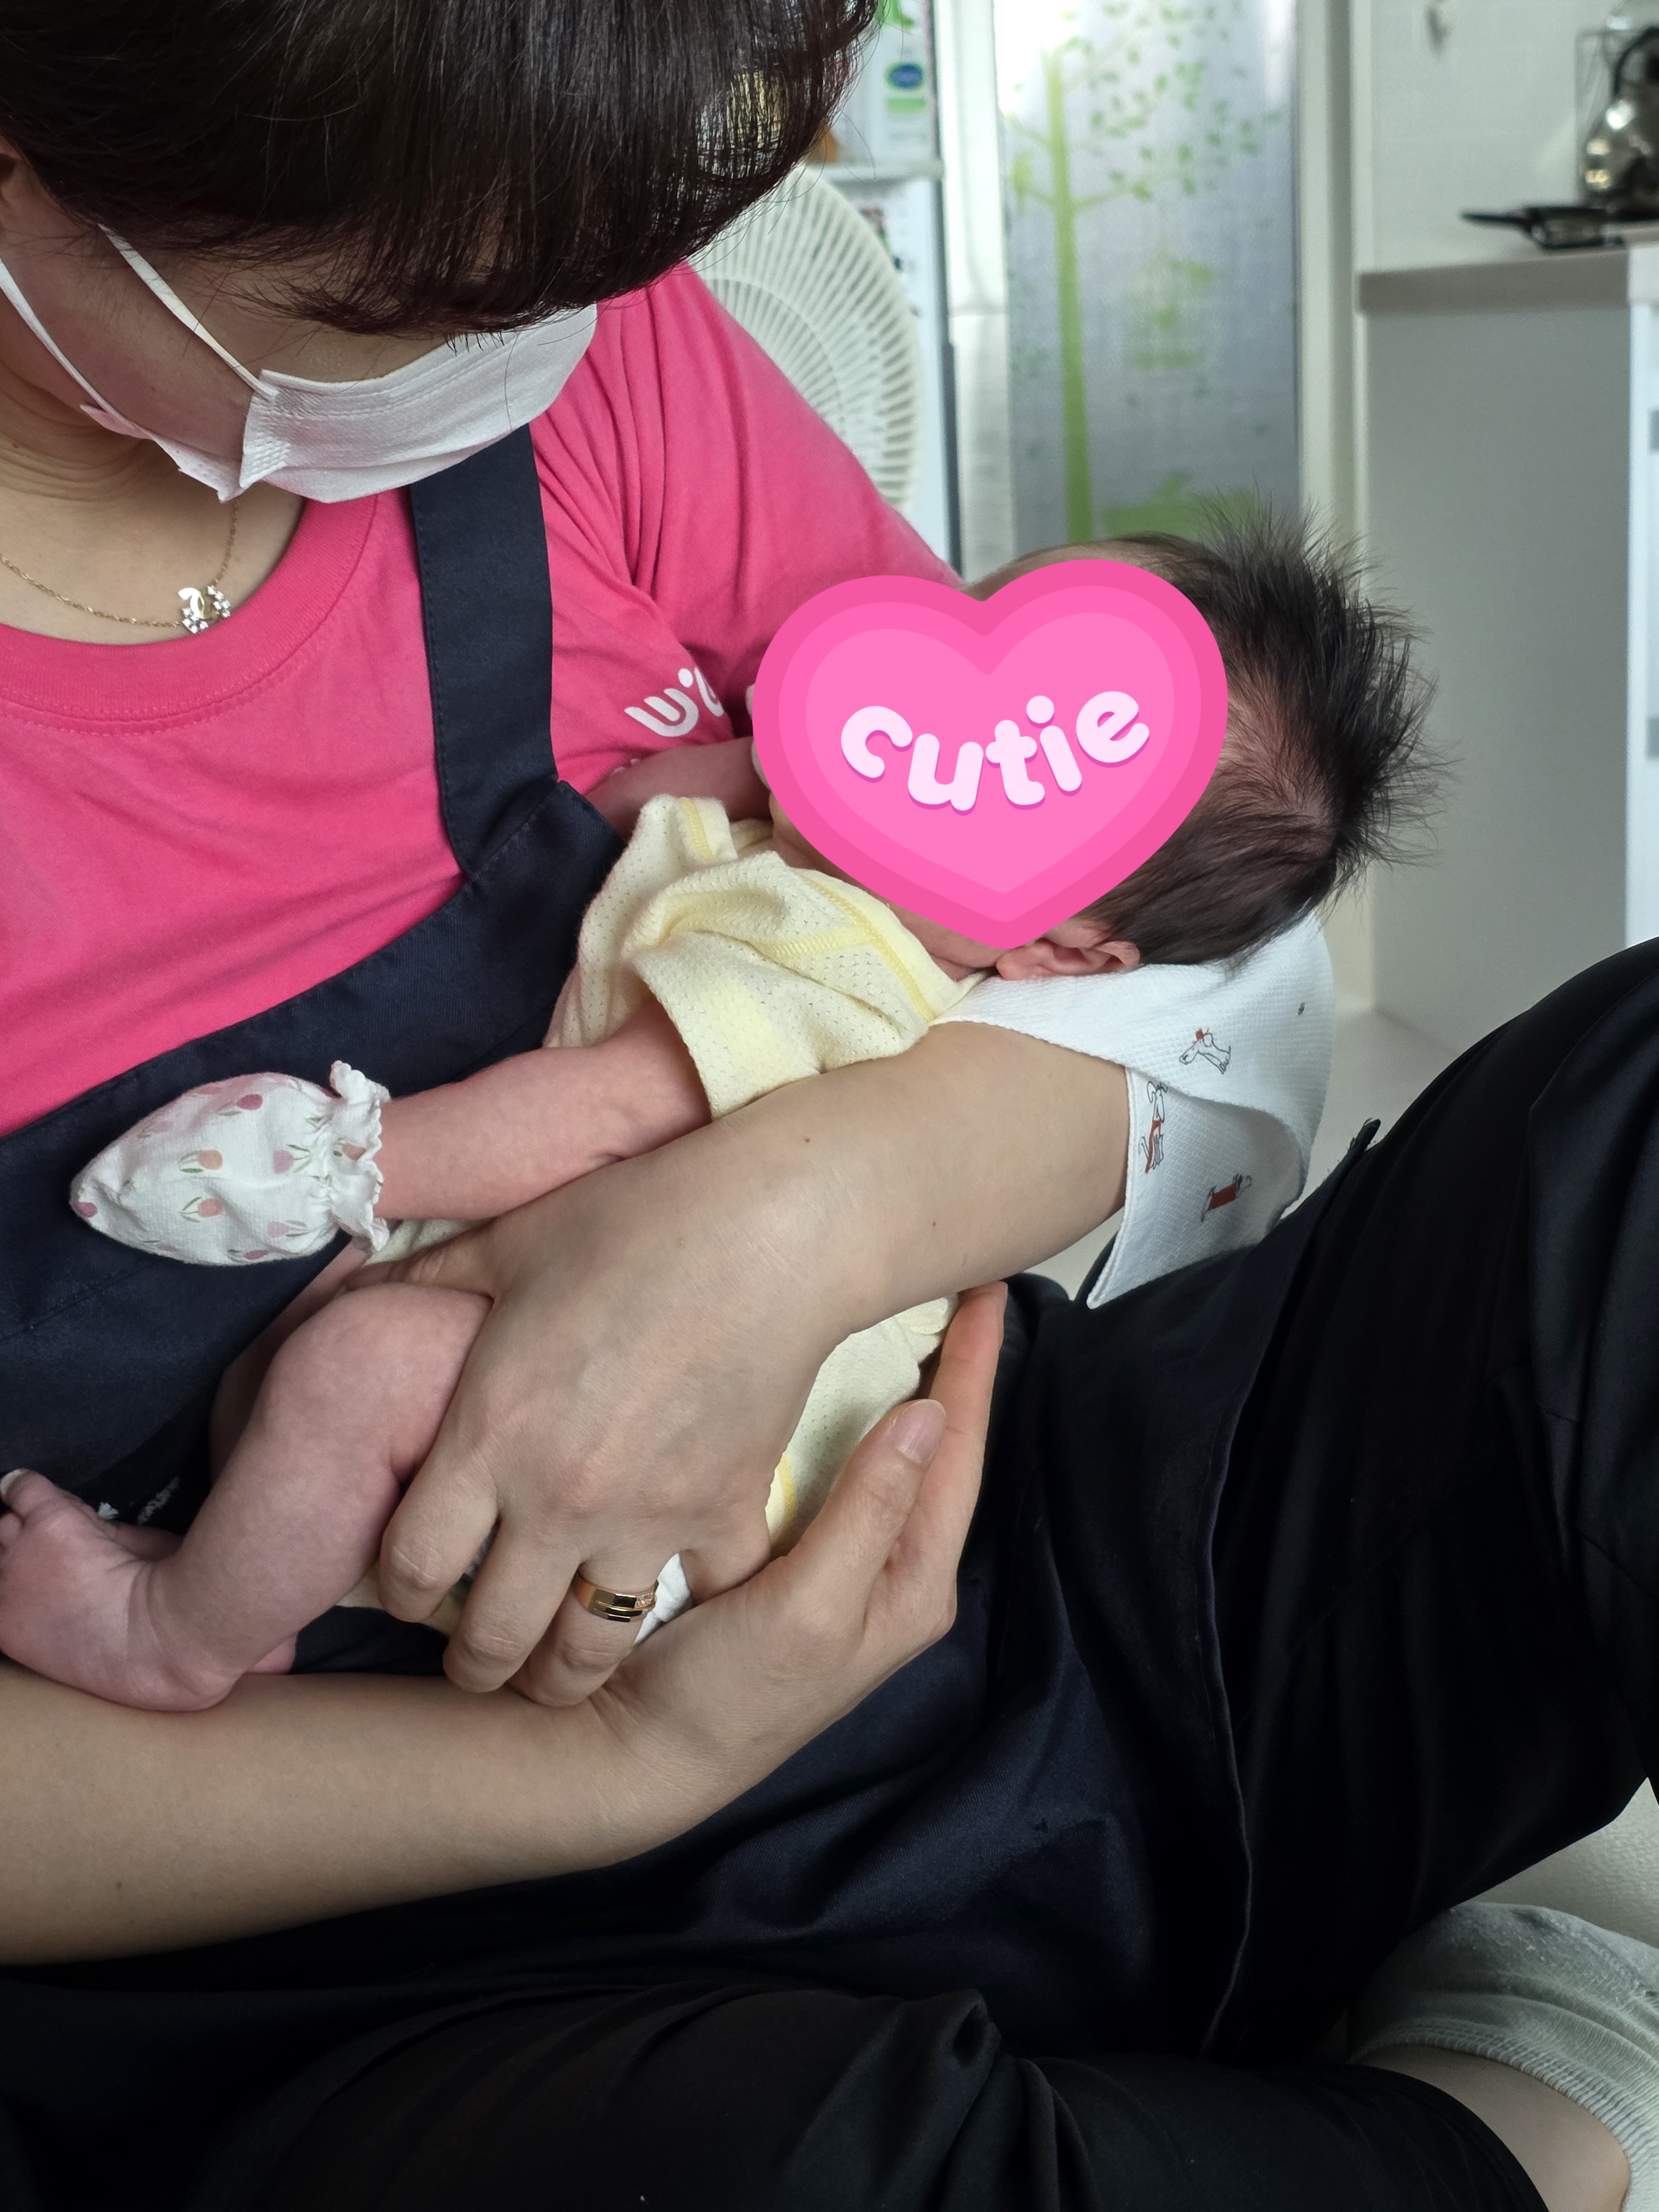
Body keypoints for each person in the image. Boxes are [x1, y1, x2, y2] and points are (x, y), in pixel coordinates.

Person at [0, 7, 1649, 2210]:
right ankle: (1510, 2106)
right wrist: (625, 1767)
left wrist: (791, 1219)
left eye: (567, 277)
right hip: (378, 1932)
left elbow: (1192, 945)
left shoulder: (596, 348)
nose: (536, 343)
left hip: (1022, 1556)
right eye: (407, 305)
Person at [4, 518, 1425, 1713]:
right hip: (585, 1355)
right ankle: (255, 1585)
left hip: (692, 1481)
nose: (924, 729)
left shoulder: (833, 963)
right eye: (962, 633)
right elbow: (629, 798)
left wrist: (350, 1159)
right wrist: (775, 762)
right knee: (306, 1381)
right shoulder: (808, 854)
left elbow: (599, 1114)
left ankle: (173, 1640)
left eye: (1013, 769)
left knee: (344, 1375)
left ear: (1066, 952)